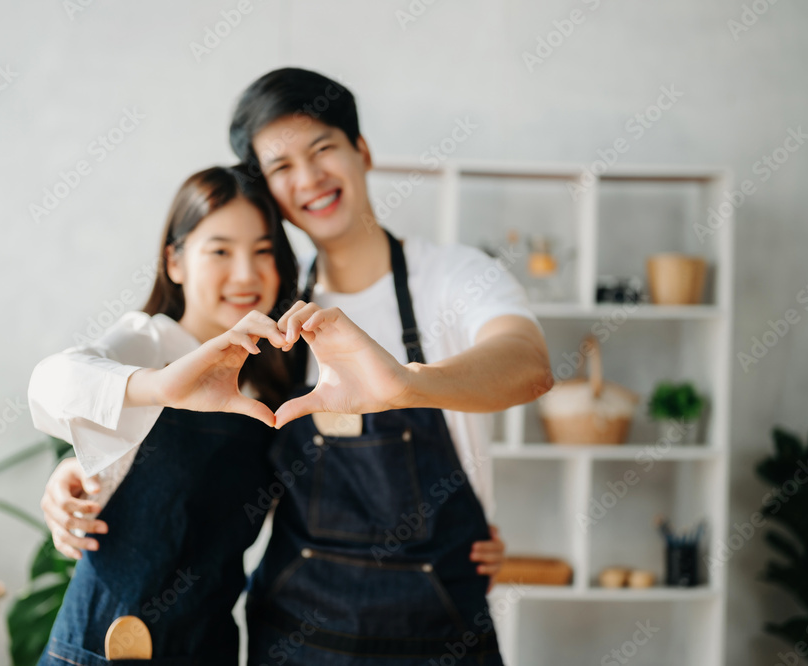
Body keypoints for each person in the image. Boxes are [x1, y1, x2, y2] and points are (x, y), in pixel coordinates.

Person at [228, 68, 553, 665]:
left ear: (363, 151)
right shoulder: (265, 305)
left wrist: (409, 384)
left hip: (440, 634)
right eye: (281, 167)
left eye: (323, 148)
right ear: (266, 191)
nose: (308, 179)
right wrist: (94, 480)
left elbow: (528, 362)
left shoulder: (455, 276)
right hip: (296, 639)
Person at [29, 164, 301, 665]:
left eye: (263, 251)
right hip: (97, 648)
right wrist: (159, 385)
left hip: (209, 648)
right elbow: (52, 382)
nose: (246, 274)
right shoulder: (148, 342)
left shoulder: (277, 384)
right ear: (174, 261)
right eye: (220, 250)